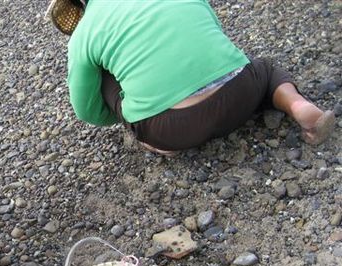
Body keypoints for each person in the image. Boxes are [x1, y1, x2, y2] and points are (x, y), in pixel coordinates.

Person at [47, 0, 336, 155]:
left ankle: (156, 141)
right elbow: (214, 31)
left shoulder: (84, 35)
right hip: (241, 93)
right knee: (267, 70)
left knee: (106, 74)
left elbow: (86, 110)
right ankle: (299, 106)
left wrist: (124, 109)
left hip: (170, 127)